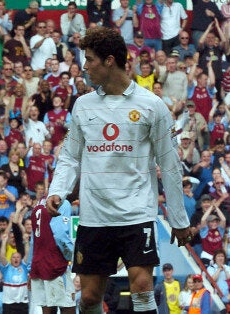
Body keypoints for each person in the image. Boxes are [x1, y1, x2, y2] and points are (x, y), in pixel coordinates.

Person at [46, 27, 192, 314]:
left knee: (141, 287)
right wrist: (58, 191)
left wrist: (178, 218)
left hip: (137, 213)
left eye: (89, 60)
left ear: (109, 60)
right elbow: (70, 157)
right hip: (95, 215)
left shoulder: (152, 106)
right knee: (88, 297)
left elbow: (169, 163)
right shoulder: (83, 106)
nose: (84, 67)